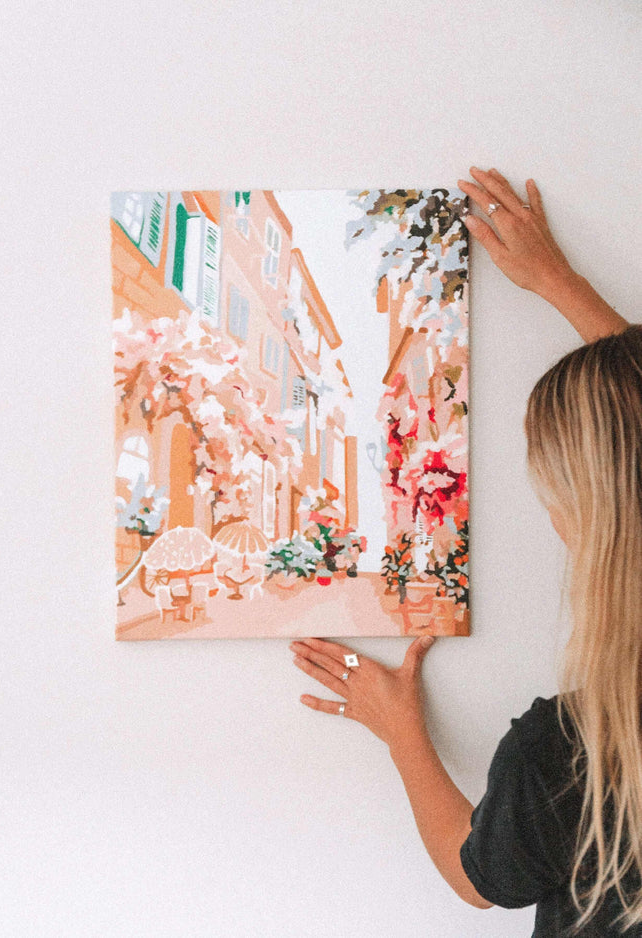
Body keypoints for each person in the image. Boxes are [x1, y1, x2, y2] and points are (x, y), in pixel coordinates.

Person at [289, 167, 641, 937]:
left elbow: (477, 877)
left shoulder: (572, 755)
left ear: (588, 519)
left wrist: (401, 732)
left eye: (554, 493)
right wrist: (560, 284)